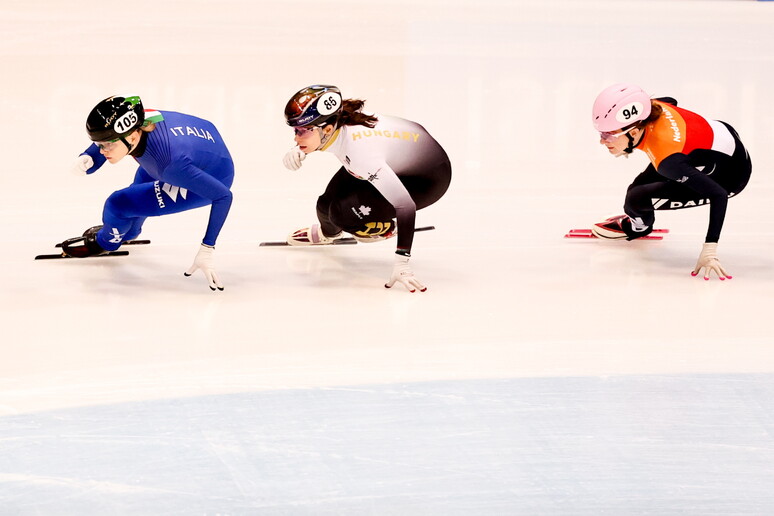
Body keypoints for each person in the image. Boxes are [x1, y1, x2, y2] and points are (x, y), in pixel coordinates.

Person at [280, 85, 452, 293]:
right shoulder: (339, 124)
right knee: (325, 205)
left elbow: (405, 205)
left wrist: (402, 263)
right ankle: (330, 234)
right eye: (295, 130)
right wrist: (301, 149)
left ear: (326, 129)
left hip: (426, 179)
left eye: (301, 131)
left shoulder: (362, 155)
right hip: (394, 158)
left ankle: (384, 227)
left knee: (342, 214)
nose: (296, 138)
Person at [65, 95, 235, 291]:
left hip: (210, 178)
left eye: (108, 144)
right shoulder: (144, 117)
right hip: (201, 153)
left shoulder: (168, 165)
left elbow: (224, 196)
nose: (103, 150)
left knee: (118, 204)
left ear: (133, 136)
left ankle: (107, 242)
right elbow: (110, 135)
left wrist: (207, 248)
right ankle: (130, 232)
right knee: (141, 182)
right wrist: (90, 155)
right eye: (100, 144)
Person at [590, 83, 751, 281]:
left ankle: (638, 227)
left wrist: (710, 249)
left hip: (730, 178)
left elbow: (718, 194)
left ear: (633, 132)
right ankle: (639, 215)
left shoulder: (668, 161)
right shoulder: (653, 107)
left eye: (608, 135)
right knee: (639, 185)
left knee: (635, 198)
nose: (602, 141)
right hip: (724, 141)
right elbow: (671, 102)